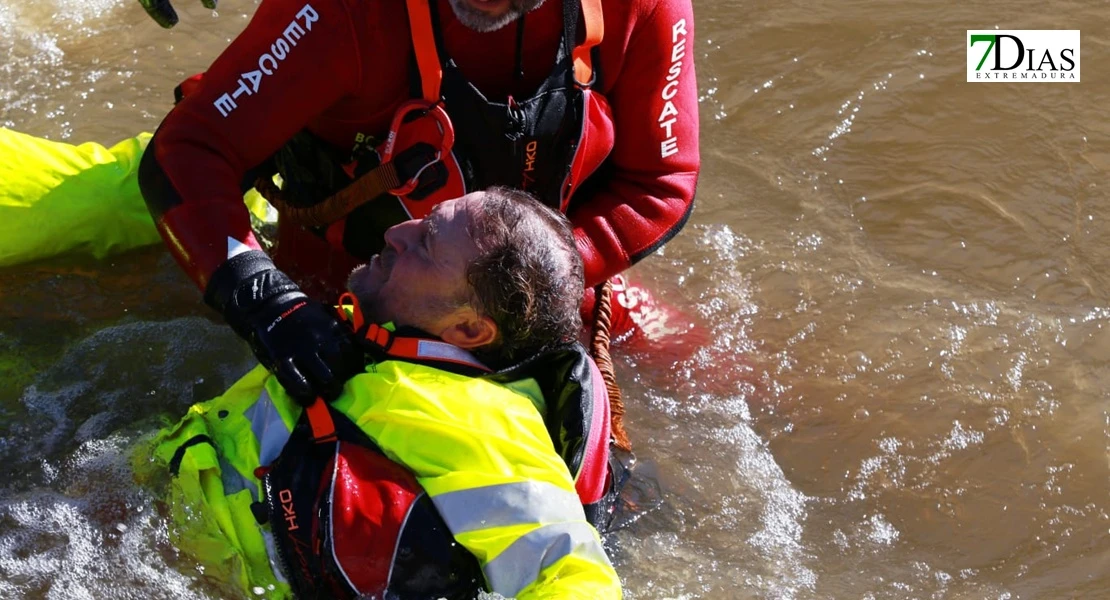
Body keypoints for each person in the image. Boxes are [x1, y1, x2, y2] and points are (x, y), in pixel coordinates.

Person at [135, 0, 702, 405]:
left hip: (533, 300)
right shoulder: (341, 12)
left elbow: (659, 181)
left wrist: (530, 289)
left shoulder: (643, 8)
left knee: (716, 374)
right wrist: (268, 305)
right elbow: (188, 149)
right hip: (331, 315)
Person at [141, 187, 625, 599]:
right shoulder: (359, 341)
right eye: (426, 219)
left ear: (470, 329)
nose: (397, 232)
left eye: (427, 244)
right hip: (146, 529)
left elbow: (575, 577)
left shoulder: (479, 420)